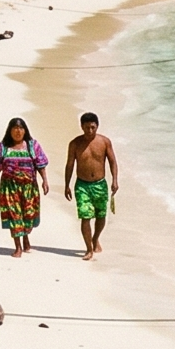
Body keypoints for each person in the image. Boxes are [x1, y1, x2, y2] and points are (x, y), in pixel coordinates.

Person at [0, 117, 47, 257]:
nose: (18, 131)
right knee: (14, 215)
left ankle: (26, 237)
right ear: (10, 131)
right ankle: (18, 247)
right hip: (9, 187)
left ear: (25, 130)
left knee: (28, 215)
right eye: (15, 128)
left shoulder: (33, 146)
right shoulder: (3, 147)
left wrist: (45, 181)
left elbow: (41, 165)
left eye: (21, 128)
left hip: (29, 187)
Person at [65, 112, 120, 261]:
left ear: (97, 126)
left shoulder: (104, 142)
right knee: (85, 216)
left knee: (101, 216)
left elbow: (113, 162)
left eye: (92, 127)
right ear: (81, 127)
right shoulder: (75, 144)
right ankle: (89, 249)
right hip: (82, 185)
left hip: (100, 185)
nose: (90, 131)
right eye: (87, 127)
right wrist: (67, 185)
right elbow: (70, 165)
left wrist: (115, 180)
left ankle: (95, 239)